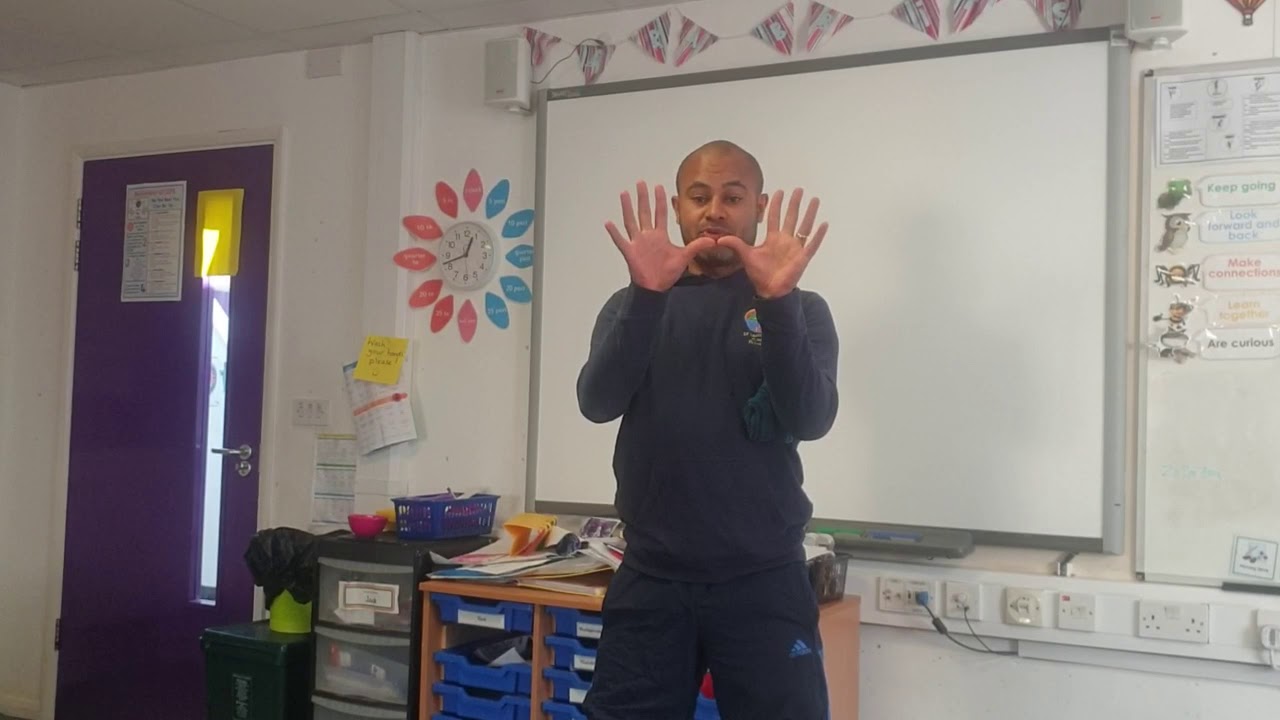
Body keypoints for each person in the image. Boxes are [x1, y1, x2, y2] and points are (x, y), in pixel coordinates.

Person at [576, 140, 839, 720]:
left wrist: (778, 301)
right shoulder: (634, 302)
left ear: (759, 207)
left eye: (732, 196)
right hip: (652, 576)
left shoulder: (802, 309)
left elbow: (811, 418)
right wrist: (646, 296)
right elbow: (597, 402)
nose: (715, 210)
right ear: (678, 206)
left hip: (764, 577)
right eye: (700, 196)